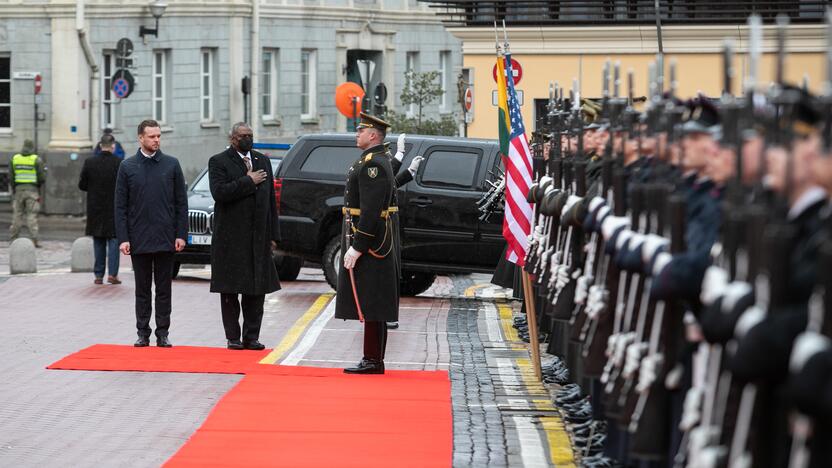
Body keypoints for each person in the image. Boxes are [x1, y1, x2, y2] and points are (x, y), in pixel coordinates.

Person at [336, 112, 400, 374]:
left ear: (373, 135)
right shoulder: (372, 160)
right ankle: (373, 357)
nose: (357, 134)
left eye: (361, 130)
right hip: (373, 238)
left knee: (373, 299)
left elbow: (372, 210)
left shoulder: (373, 164)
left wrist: (358, 246)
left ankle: (372, 359)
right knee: (374, 299)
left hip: (373, 243)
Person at [115, 120, 188, 348]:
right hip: (139, 239)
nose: (156, 140)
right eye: (152, 136)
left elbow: (180, 203)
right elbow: (120, 206)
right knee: (142, 290)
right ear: (140, 138)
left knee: (164, 289)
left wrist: (181, 234)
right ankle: (143, 332)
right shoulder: (127, 167)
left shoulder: (171, 165)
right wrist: (124, 238)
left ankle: (163, 332)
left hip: (166, 238)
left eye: (158, 136)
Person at [208, 123, 281, 350]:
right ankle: (233, 337)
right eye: (243, 136)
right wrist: (248, 181)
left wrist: (273, 234)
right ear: (233, 138)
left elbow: (270, 201)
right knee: (230, 289)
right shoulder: (218, 161)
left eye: (250, 135)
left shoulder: (262, 160)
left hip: (258, 237)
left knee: (256, 290)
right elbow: (219, 193)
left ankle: (252, 336)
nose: (247, 139)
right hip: (231, 238)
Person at [78, 133, 122, 285]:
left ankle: (98, 275)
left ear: (100, 145)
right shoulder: (119, 163)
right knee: (114, 241)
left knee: (98, 241)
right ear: (113, 146)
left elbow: (82, 185)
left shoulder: (90, 162)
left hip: (95, 208)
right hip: (113, 208)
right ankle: (113, 274)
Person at [9, 139, 45, 247]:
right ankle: (34, 240)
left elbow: (11, 177)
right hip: (32, 191)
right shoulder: (36, 160)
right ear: (32, 147)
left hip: (19, 191)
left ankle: (13, 239)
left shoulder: (15, 159)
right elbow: (41, 177)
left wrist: (15, 188)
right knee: (31, 215)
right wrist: (38, 186)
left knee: (17, 215)